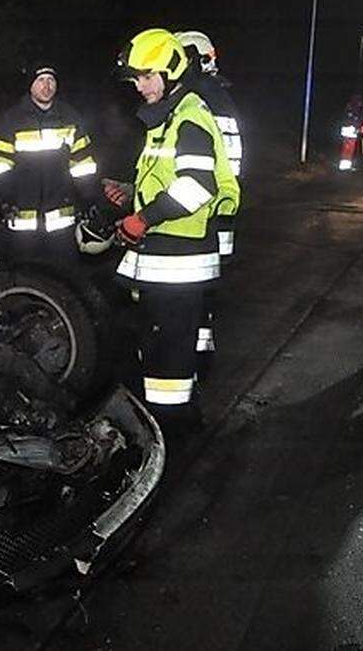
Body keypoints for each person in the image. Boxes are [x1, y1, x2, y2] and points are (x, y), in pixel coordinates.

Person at [111, 28, 238, 432]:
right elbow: (168, 179)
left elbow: (197, 186)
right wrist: (133, 199)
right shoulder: (169, 116)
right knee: (162, 345)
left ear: (170, 71)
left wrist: (142, 218)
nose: (140, 86)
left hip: (180, 257)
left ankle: (170, 429)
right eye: (136, 78)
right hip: (166, 254)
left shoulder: (189, 117)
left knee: (169, 351)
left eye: (147, 76)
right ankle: (166, 420)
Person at [0, 60, 100, 270]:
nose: (47, 86)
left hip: (61, 220)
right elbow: (0, 163)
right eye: (40, 80)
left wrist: (90, 198)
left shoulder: (70, 118)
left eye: (51, 80)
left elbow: (83, 163)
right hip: (22, 219)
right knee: (24, 275)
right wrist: (5, 199)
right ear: (30, 85)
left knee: (64, 277)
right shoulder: (12, 120)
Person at [174, 30, 243, 367]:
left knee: (192, 295)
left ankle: (193, 360)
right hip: (219, 218)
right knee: (204, 294)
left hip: (200, 216)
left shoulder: (198, 101)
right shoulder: (220, 97)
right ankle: (201, 354)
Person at [338, 94, 363, 171]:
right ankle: (345, 166)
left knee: (348, 149)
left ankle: (346, 166)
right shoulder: (354, 109)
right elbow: (355, 120)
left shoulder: (349, 107)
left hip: (349, 131)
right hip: (350, 131)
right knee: (348, 149)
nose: (361, 103)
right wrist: (357, 127)